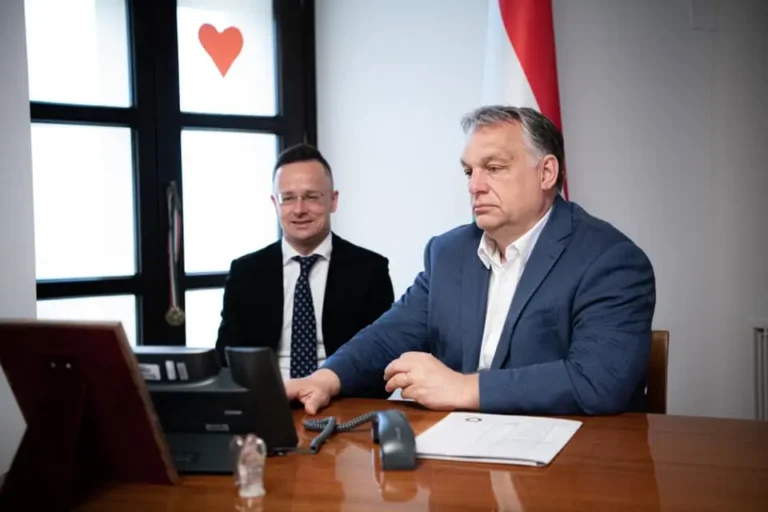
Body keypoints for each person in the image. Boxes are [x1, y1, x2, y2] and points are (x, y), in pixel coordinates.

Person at [285, 105, 656, 416]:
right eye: (469, 171)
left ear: (546, 173)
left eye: (493, 168)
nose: (474, 186)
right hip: (462, 453)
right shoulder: (449, 253)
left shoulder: (610, 260)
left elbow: (597, 382)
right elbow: (388, 337)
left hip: (574, 462)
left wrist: (463, 388)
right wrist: (325, 379)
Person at [215, 143, 395, 380]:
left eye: (311, 197)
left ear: (333, 200)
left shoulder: (370, 270)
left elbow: (381, 356)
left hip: (342, 393)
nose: (299, 209)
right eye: (288, 198)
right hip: (267, 394)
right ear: (275, 204)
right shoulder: (245, 272)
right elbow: (226, 360)